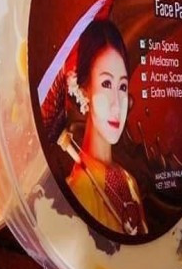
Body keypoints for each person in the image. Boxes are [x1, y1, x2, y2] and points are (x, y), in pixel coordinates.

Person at [63, 19, 148, 236]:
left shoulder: (129, 181)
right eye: (107, 84)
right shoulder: (77, 189)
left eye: (122, 86)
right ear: (85, 89)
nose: (116, 104)